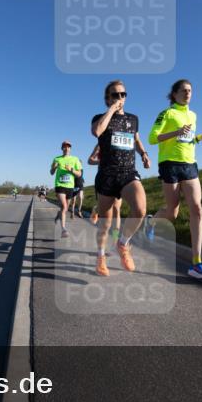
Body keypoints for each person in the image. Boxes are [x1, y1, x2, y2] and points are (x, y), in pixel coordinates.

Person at [146, 79, 202, 281]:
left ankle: (196, 263)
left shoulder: (193, 115)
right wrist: (176, 131)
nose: (188, 93)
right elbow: (152, 138)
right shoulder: (166, 113)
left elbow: (188, 139)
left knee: (197, 208)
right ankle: (151, 222)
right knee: (173, 212)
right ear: (174, 94)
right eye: (184, 90)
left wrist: (200, 137)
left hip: (190, 164)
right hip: (169, 164)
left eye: (190, 90)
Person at [91, 80, 151, 276]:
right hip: (107, 175)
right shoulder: (100, 117)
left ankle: (123, 244)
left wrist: (143, 154)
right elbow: (97, 131)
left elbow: (136, 138)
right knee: (105, 223)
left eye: (123, 94)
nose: (120, 98)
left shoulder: (134, 119)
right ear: (107, 98)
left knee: (140, 208)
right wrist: (111, 110)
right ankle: (100, 257)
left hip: (128, 172)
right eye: (115, 95)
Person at [87, 145, 121, 238]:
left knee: (116, 209)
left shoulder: (120, 139)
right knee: (105, 209)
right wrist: (102, 161)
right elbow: (90, 160)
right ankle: (97, 209)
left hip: (119, 177)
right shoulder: (100, 144)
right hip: (104, 178)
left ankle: (115, 240)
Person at [50, 141, 82, 238]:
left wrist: (71, 170)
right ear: (62, 148)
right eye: (64, 147)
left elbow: (79, 174)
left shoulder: (75, 159)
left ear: (70, 149)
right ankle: (63, 229)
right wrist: (54, 168)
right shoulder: (57, 159)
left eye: (68, 147)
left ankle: (58, 215)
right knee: (64, 206)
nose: (66, 148)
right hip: (60, 185)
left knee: (65, 208)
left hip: (70, 186)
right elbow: (51, 172)